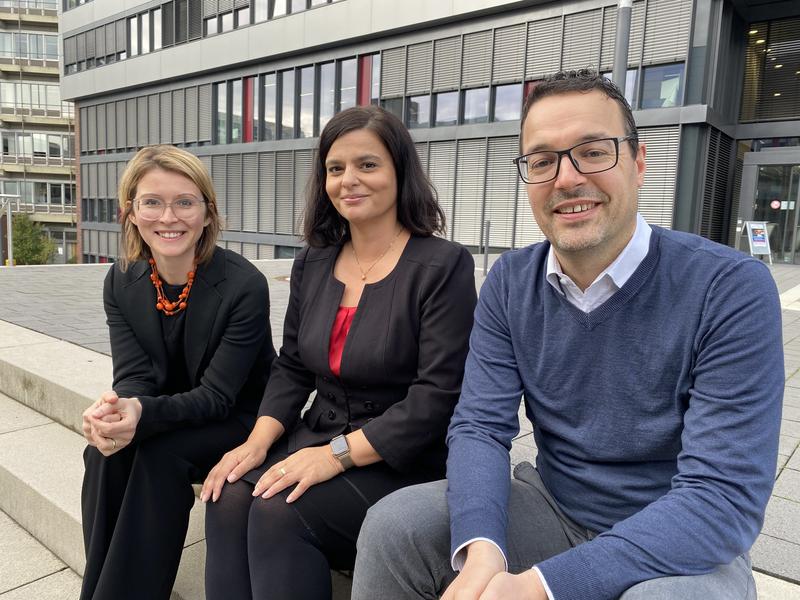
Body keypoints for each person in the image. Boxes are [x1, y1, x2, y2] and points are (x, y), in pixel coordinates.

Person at [352, 69, 783, 600]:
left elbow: (721, 498)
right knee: (396, 524)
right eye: (542, 160)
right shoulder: (512, 281)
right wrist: (482, 547)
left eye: (594, 151)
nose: (566, 178)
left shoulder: (729, 287)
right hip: (554, 506)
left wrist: (540, 586)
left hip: (678, 539)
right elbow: (481, 427)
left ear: (639, 162)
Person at [201, 105, 477, 600]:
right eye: (335, 168)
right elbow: (291, 367)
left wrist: (336, 456)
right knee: (226, 494)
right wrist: (257, 443)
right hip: (318, 431)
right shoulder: (314, 261)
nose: (349, 179)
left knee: (278, 509)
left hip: (400, 457)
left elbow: (438, 396)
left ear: (399, 171)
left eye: (367, 165)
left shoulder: (442, 265)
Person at [80, 145, 276, 600]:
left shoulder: (244, 285)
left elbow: (218, 396)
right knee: (102, 454)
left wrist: (141, 414)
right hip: (168, 412)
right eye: (152, 202)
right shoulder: (121, 278)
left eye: (185, 202)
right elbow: (133, 376)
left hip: (238, 422)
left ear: (208, 214)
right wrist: (118, 408)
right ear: (130, 212)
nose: (169, 217)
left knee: (155, 457)